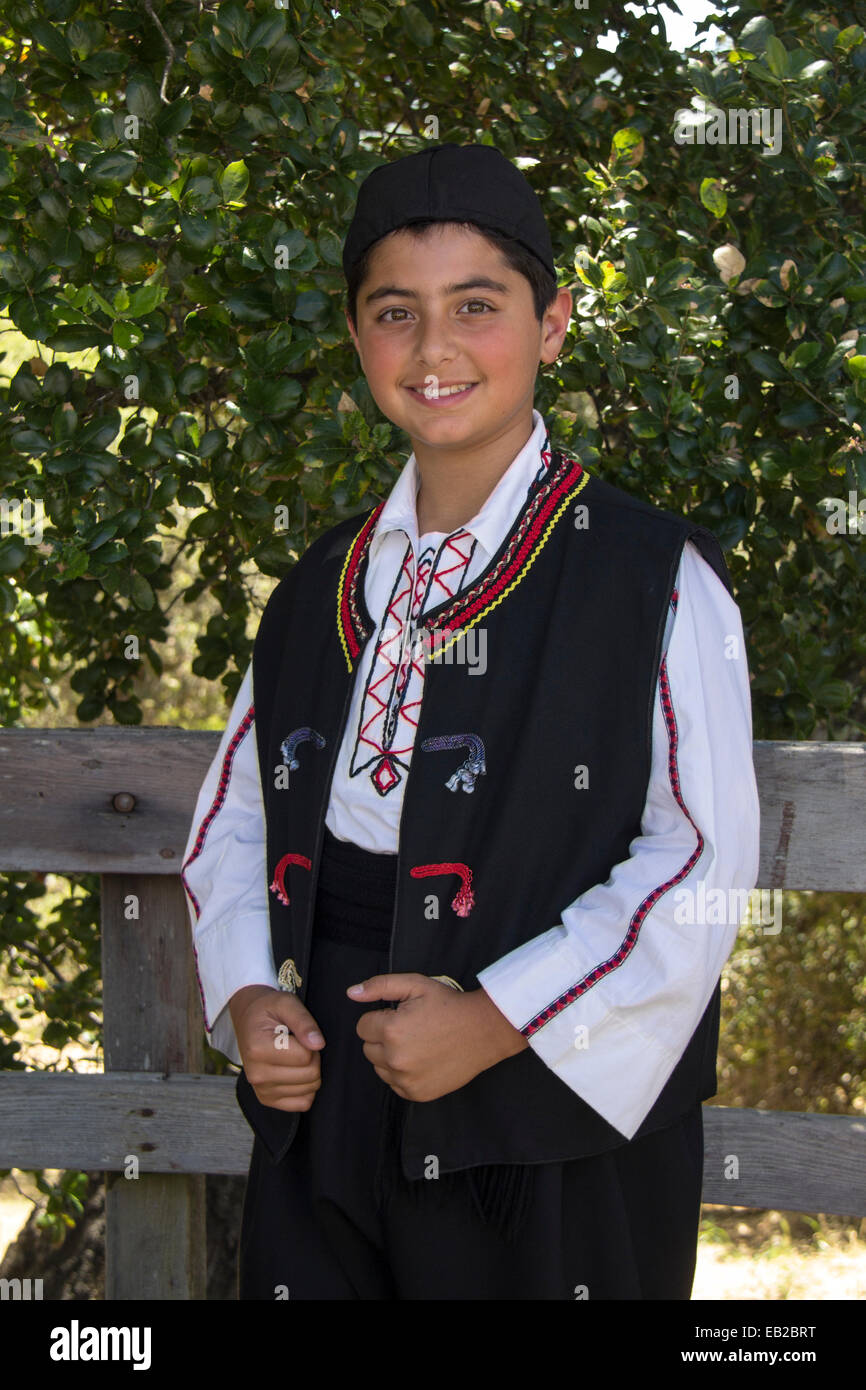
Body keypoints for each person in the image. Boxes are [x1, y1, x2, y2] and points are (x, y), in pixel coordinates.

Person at [181, 142, 760, 1301]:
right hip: (325, 1072)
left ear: (550, 325)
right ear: (356, 338)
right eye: (395, 312)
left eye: (476, 308)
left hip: (548, 1100)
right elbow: (236, 816)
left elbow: (697, 858)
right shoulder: (317, 587)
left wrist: (496, 1018)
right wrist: (247, 990)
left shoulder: (650, 577)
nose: (434, 350)